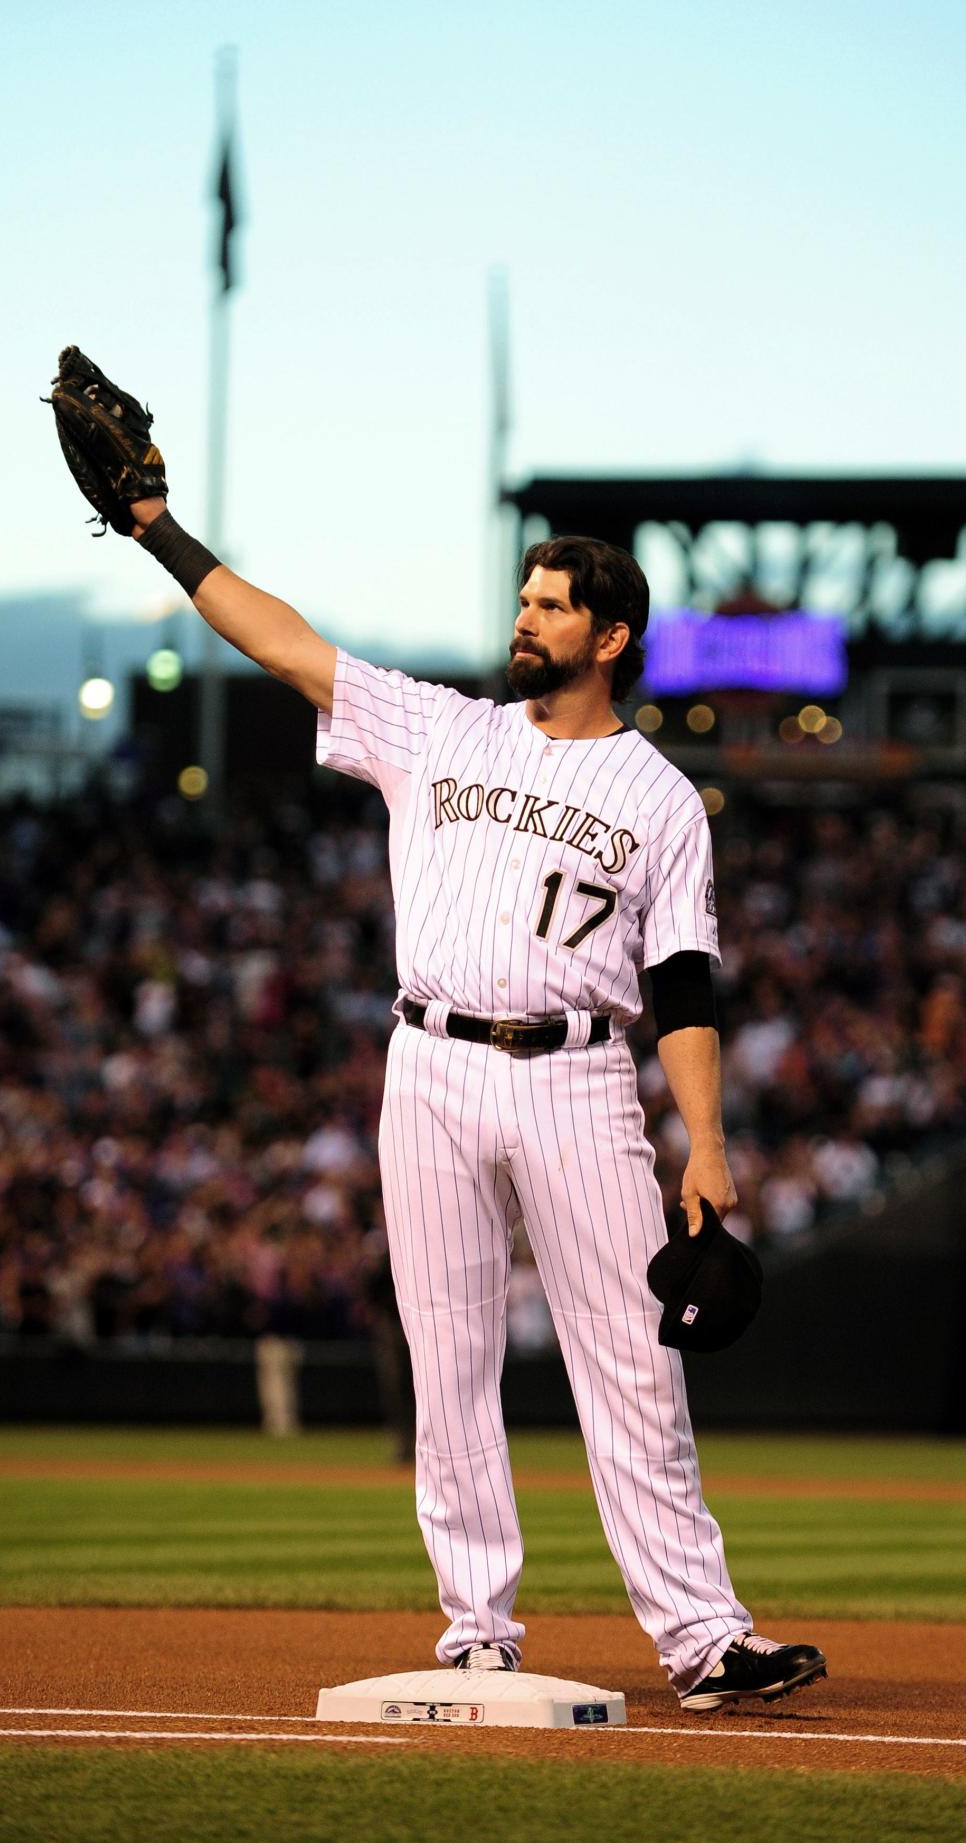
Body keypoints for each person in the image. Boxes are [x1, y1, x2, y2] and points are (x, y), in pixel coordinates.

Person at [121, 487, 827, 1713]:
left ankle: (706, 1638)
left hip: (579, 1074)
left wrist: (705, 1142)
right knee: (450, 1363)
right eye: (524, 599)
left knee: (632, 1367)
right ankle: (476, 1632)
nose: (527, 618)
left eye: (552, 606)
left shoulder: (658, 796)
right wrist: (153, 528)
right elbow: (281, 641)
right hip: (432, 1064)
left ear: (610, 637)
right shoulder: (441, 730)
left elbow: (681, 983)